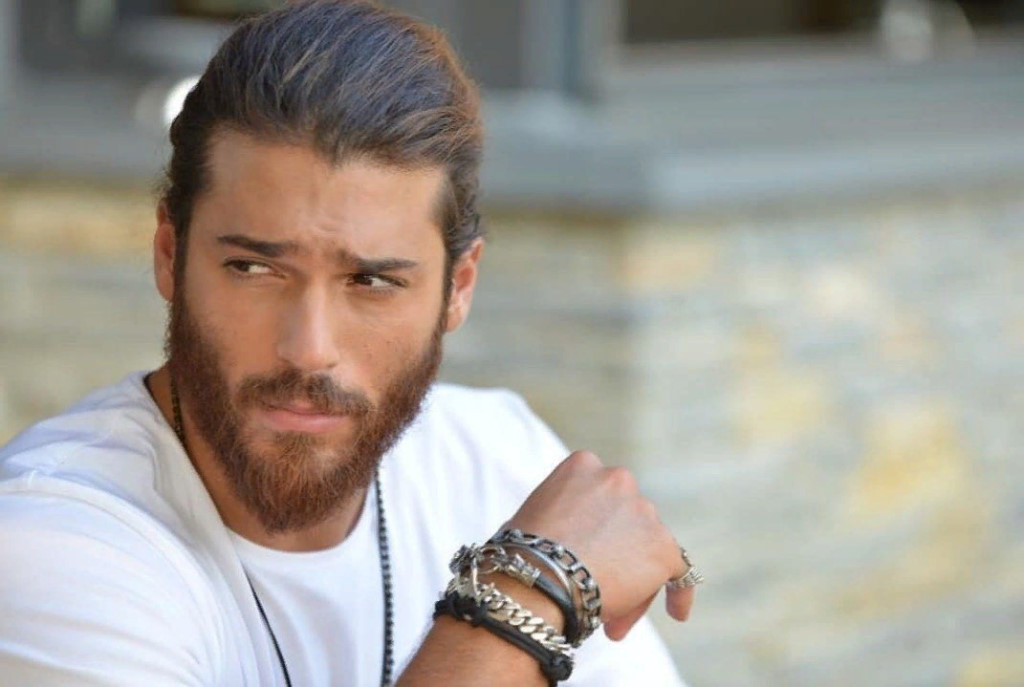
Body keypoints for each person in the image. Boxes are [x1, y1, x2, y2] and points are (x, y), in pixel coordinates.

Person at [0, 2, 700, 685]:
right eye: (254, 269)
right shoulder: (51, 541)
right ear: (169, 253)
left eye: (371, 281)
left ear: (458, 287)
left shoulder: (496, 463)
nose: (309, 349)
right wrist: (522, 599)